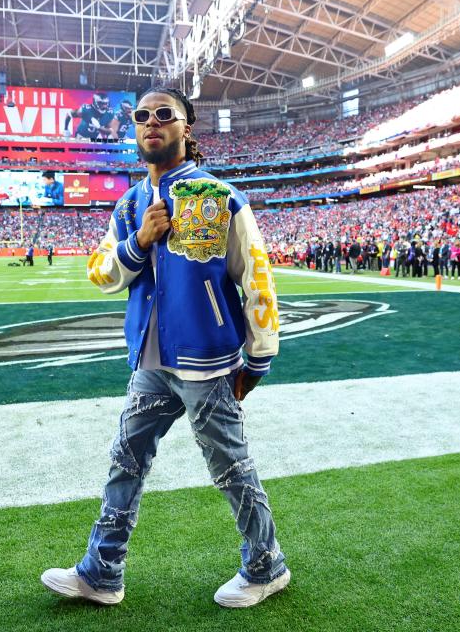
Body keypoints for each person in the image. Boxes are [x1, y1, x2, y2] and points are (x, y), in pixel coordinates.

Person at [41, 86, 289, 608]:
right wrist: (139, 242)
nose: (151, 122)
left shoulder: (220, 197)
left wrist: (260, 358)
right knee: (125, 460)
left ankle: (267, 566)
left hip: (207, 363)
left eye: (164, 114)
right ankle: (102, 572)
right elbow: (101, 273)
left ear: (186, 126)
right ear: (134, 129)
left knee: (230, 468)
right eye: (142, 116)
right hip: (151, 364)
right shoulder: (129, 204)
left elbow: (259, 278)